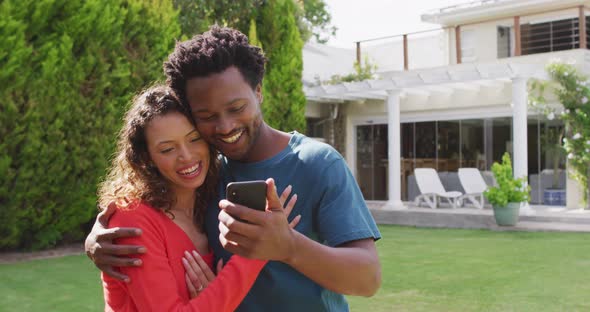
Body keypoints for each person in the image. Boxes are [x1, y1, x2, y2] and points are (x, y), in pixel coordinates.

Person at [86, 26, 382, 311]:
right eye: (206, 115)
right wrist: (97, 241)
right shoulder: (203, 174)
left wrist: (289, 246)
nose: (225, 126)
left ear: (259, 92)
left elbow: (368, 279)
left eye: (237, 108)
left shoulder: (317, 163)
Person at [95, 85, 299, 311]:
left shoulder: (209, 204)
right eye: (167, 149)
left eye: (194, 139)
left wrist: (212, 299)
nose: (187, 156)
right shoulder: (133, 217)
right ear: (146, 158)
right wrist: (257, 251)